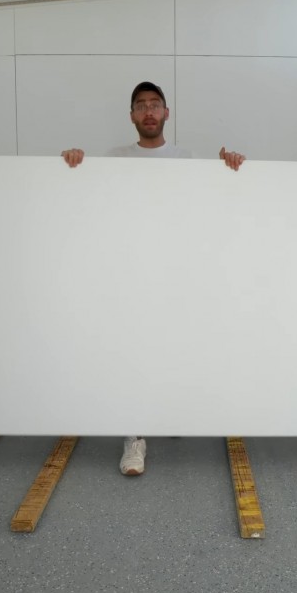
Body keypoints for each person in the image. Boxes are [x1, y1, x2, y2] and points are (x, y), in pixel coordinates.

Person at [60, 81, 246, 476]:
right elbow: (90, 203)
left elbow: (211, 206)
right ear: (131, 115)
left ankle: (167, 412)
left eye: (155, 104)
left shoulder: (186, 160)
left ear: (166, 113)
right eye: (141, 105)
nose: (148, 111)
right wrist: (73, 164)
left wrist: (228, 167)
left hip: (174, 271)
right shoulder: (113, 159)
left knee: (173, 346)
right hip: (129, 271)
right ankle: (134, 437)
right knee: (131, 350)